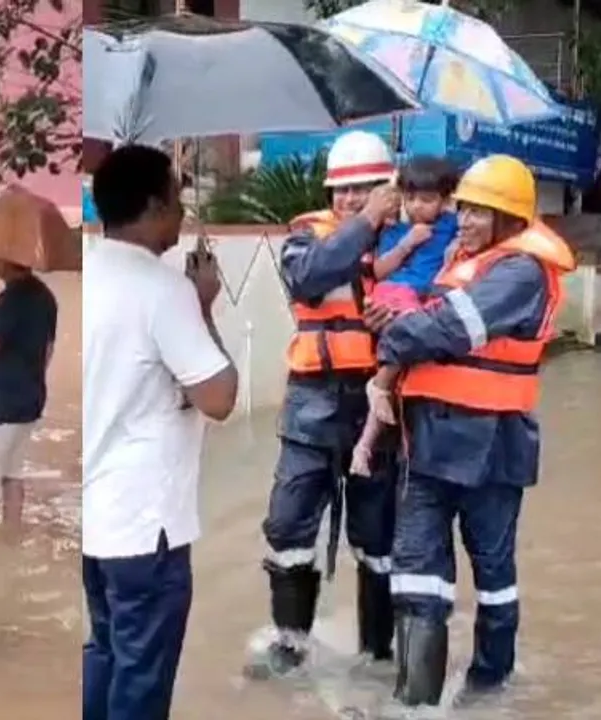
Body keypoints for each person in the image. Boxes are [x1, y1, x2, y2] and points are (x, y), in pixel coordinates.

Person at [366, 155, 576, 707]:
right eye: (463, 210)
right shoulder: (460, 261)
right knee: (416, 575)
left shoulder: (522, 272)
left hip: (492, 448)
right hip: (427, 444)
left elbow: (447, 328)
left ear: (510, 219)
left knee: (493, 574)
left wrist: (395, 332)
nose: (465, 221)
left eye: (480, 212)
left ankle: (488, 690)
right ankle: (415, 705)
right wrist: (401, 326)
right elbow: (424, 322)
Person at [82, 145, 238, 720]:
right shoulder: (163, 290)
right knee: (142, 676)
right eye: (177, 198)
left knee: (105, 653)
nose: (183, 211)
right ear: (152, 206)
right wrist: (204, 306)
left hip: (96, 521)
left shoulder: (90, 271)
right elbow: (219, 398)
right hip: (147, 527)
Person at [248, 130, 404, 680]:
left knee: (379, 537)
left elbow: (436, 312)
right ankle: (291, 643)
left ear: (387, 189)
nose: (350, 199)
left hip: (378, 403)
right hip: (312, 404)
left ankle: (378, 655)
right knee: (288, 523)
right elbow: (309, 277)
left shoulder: (410, 247)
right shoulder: (305, 238)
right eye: (341, 189)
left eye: (363, 189)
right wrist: (367, 222)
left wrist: (398, 322)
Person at [349, 156, 459, 478]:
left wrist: (453, 250)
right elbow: (379, 271)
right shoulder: (395, 231)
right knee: (407, 339)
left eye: (427, 199)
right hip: (395, 295)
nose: (417, 206)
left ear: (445, 200)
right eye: (410, 198)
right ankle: (377, 390)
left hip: (421, 302)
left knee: (401, 358)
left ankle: (364, 447)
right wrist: (407, 245)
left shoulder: (452, 226)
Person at [0, 257, 57, 537]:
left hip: (1, 403)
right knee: (12, 472)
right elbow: (48, 349)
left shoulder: (11, 301)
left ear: (6, 262)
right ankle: (11, 536)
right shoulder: (45, 296)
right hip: (31, 398)